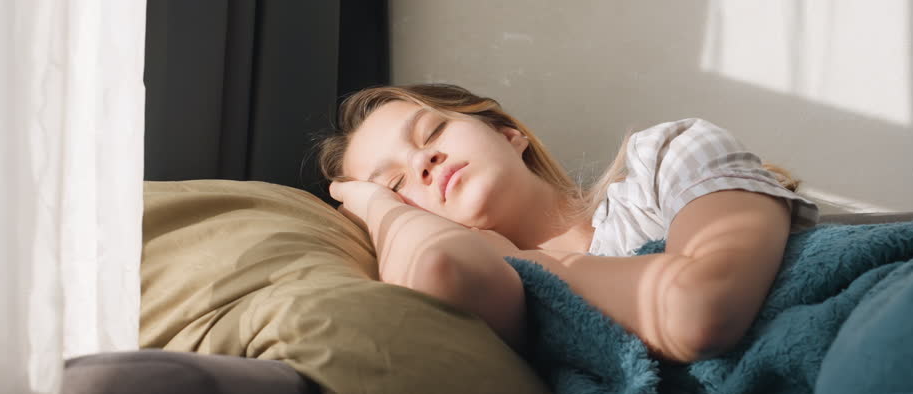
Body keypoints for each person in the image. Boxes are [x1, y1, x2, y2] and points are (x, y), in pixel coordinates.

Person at [316, 83, 819, 363]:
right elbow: (437, 266)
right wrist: (372, 204)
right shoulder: (493, 296)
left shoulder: (666, 158)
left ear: (508, 134)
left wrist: (518, 258)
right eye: (397, 184)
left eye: (432, 132)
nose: (422, 161)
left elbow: (701, 309)